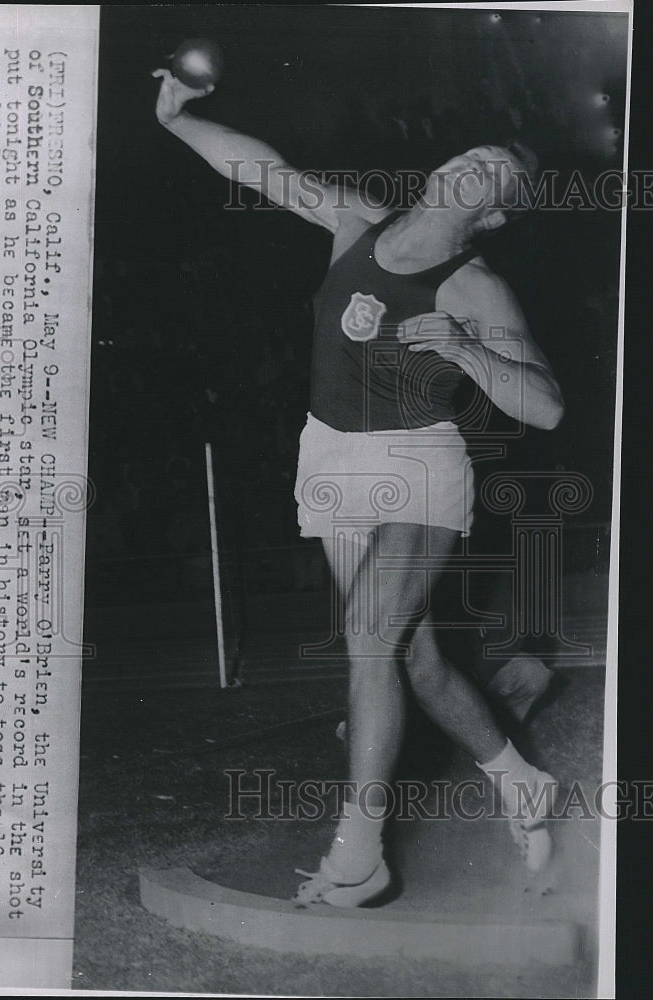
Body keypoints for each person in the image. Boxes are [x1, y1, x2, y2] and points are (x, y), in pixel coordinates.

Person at [153, 69, 565, 907]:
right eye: (472, 151)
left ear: (490, 212)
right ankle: (521, 779)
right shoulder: (354, 219)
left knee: (368, 634)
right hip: (331, 454)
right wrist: (178, 120)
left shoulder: (471, 287)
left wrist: (464, 351)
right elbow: (260, 169)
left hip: (417, 460)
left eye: (490, 172)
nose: (469, 162)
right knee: (409, 655)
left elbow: (547, 408)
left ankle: (359, 852)